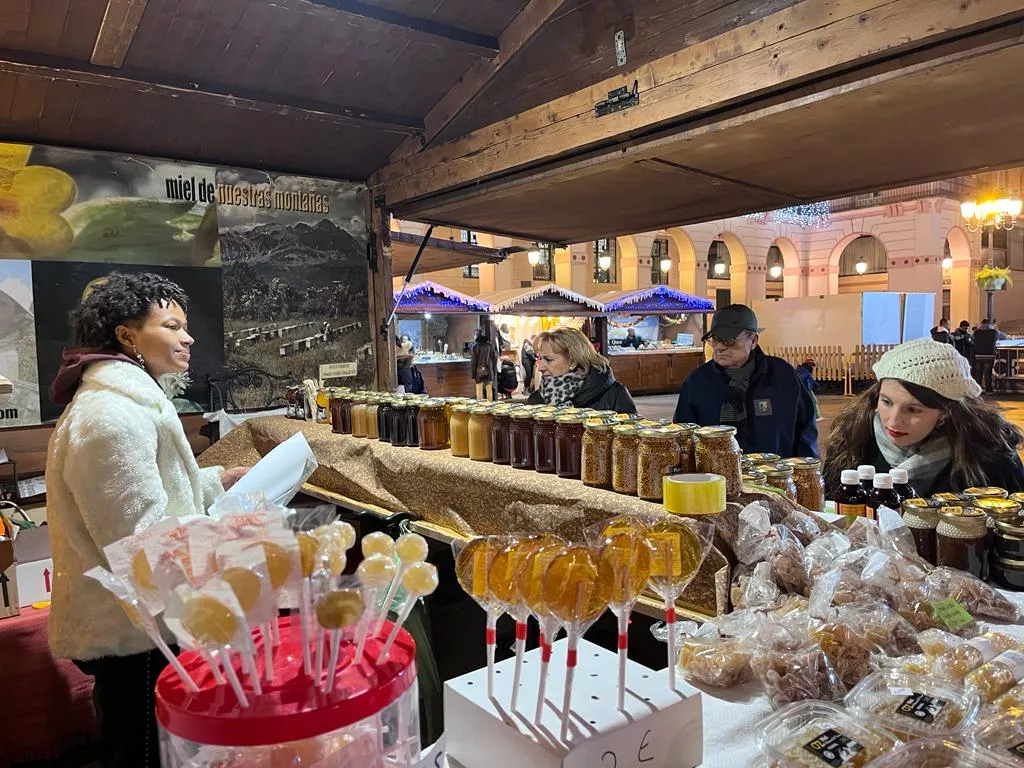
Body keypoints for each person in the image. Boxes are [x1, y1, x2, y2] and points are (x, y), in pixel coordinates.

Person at [45, 272, 250, 768]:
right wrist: (236, 539)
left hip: (149, 621)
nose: (189, 336)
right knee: (139, 751)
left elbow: (157, 498)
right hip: (131, 632)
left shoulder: (130, 405)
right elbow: (138, 543)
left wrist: (217, 482)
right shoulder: (109, 417)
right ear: (127, 336)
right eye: (172, 325)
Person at [823, 337, 1024, 498]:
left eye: (913, 410)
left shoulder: (990, 453)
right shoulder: (853, 437)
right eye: (886, 402)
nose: (893, 421)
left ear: (945, 412)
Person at [673, 304, 817, 457]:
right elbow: (683, 437)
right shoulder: (697, 383)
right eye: (715, 339)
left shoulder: (783, 377)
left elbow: (806, 430)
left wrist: (804, 472)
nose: (719, 347)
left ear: (753, 340)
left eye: (730, 340)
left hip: (774, 477)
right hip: (715, 478)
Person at [527, 326, 636, 412]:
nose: (540, 368)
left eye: (549, 359)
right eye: (540, 359)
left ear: (573, 362)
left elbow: (630, 436)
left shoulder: (615, 395)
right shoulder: (537, 399)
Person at [470, 327, 497, 400]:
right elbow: (494, 359)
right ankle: (489, 405)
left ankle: (480, 407)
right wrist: (494, 371)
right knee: (489, 389)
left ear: (476, 335)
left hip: (479, 371)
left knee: (479, 390)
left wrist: (473, 374)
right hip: (489, 370)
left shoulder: (474, 346)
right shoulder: (490, 345)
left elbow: (474, 361)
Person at [973, 319, 998, 393]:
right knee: (988, 374)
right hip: (989, 355)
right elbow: (1000, 337)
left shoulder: (976, 332)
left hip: (978, 355)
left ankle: (977, 390)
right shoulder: (993, 332)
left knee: (978, 374)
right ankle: (989, 389)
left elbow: (973, 341)